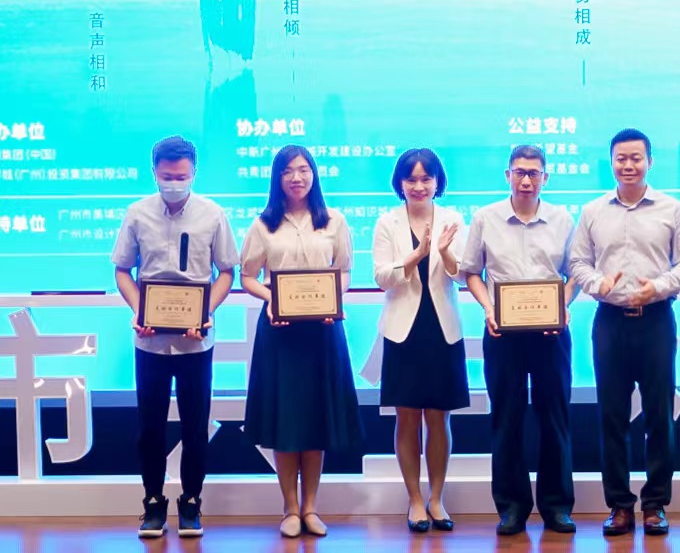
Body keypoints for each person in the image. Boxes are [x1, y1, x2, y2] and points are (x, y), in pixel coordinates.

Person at [568, 128, 680, 536]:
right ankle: (620, 506)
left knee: (660, 415)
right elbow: (577, 263)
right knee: (612, 417)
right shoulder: (592, 211)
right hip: (609, 322)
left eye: (636, 158)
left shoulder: (672, 209)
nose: (628, 165)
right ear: (611, 162)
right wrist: (597, 284)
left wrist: (657, 287)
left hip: (656, 319)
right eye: (621, 158)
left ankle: (655, 504)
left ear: (649, 162)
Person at [112, 135, 239, 538]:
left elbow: (227, 272)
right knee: (149, 426)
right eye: (166, 177)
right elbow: (122, 270)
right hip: (149, 339)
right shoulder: (136, 214)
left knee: (195, 426)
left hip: (195, 339)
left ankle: (191, 502)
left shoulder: (213, 214)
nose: (173, 183)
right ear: (154, 173)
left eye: (181, 177)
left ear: (194, 173)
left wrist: (205, 312)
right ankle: (153, 502)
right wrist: (138, 309)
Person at [240, 145, 363, 538]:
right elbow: (247, 276)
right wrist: (272, 299)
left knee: (315, 419)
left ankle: (311, 507)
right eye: (288, 171)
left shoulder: (334, 221)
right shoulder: (263, 224)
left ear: (314, 174)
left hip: (323, 330)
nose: (297, 177)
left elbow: (343, 271)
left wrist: (332, 300)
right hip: (280, 333)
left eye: (304, 169)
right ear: (277, 178)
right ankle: (289, 509)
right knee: (286, 420)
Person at [459, 145, 578, 536]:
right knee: (506, 419)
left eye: (534, 173)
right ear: (507, 175)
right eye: (520, 172)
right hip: (502, 332)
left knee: (554, 417)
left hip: (551, 333)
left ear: (546, 177)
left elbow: (575, 272)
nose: (526, 180)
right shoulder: (485, 217)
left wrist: (563, 304)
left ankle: (557, 507)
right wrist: (488, 307)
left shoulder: (562, 219)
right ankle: (511, 508)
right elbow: (471, 272)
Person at [373, 148, 469, 532]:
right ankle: (414, 499)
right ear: (400, 182)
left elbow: (463, 274)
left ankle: (437, 499)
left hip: (443, 329)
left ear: (437, 181)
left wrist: (443, 252)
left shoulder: (453, 219)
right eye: (411, 179)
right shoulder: (387, 222)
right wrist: (415, 255)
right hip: (403, 331)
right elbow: (382, 277)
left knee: (439, 417)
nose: (418, 186)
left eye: (426, 179)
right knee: (407, 417)